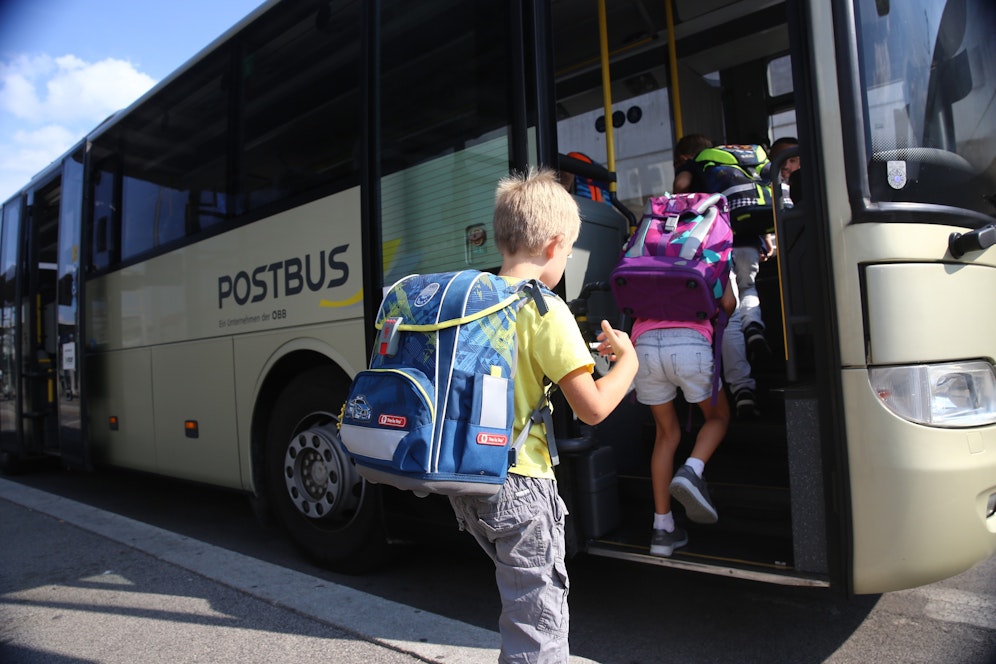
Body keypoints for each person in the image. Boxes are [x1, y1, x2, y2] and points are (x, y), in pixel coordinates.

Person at [448, 166, 638, 663]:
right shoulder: (544, 309)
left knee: (519, 609)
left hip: (469, 481)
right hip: (520, 484)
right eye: (570, 250)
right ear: (555, 246)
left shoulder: (476, 297)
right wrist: (630, 362)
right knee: (540, 627)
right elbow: (592, 408)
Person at [632, 248, 736, 557]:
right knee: (717, 418)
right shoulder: (713, 249)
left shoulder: (649, 246)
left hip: (645, 346)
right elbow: (728, 303)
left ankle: (662, 530)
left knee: (667, 434)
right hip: (691, 344)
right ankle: (692, 470)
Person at [673, 135, 760, 419]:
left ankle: (742, 390)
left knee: (728, 317)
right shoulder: (733, 162)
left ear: (685, 157)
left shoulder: (694, 166)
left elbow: (681, 188)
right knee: (749, 288)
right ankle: (756, 327)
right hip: (749, 239)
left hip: (717, 247)